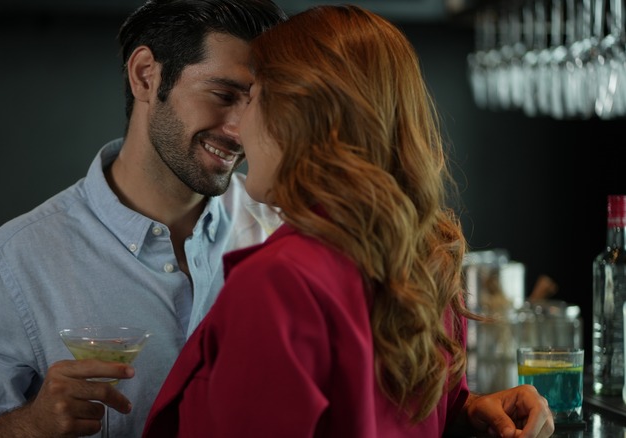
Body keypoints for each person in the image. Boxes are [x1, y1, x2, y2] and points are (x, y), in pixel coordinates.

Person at [141, 5, 555, 438]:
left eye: (255, 97)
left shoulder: (278, 280)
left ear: (300, 118)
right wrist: (468, 414)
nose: (239, 128)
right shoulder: (425, 261)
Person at [0, 1, 287, 437]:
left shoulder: (287, 233)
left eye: (258, 104)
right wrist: (27, 427)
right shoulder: (13, 263)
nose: (242, 131)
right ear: (146, 74)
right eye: (223, 96)